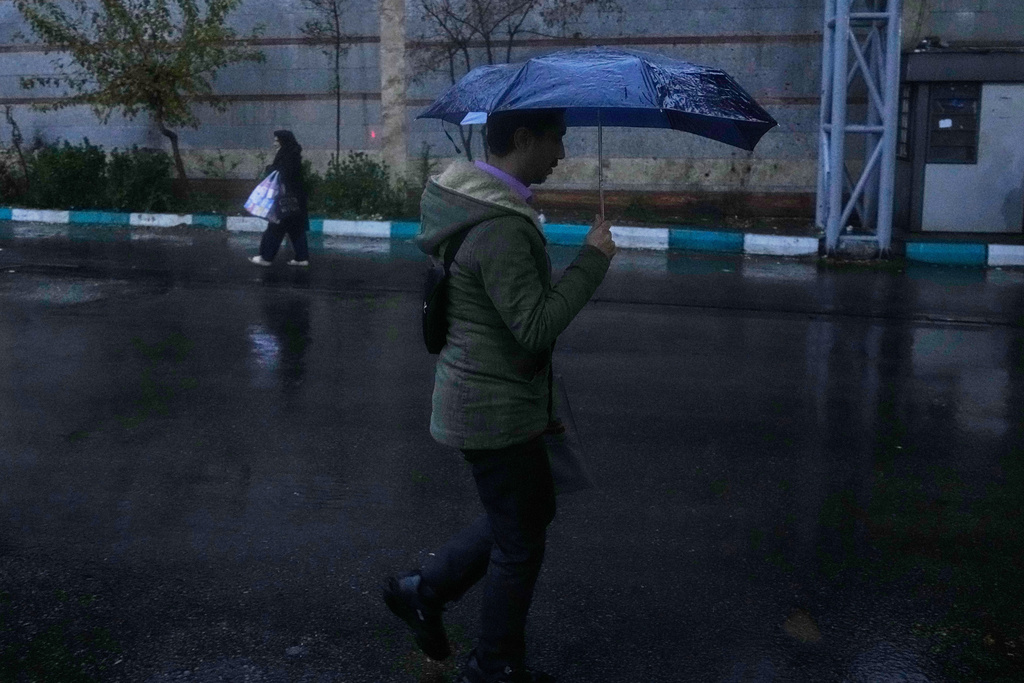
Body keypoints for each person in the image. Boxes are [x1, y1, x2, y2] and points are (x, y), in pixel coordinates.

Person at [383, 108, 617, 683]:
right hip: (492, 409)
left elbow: (503, 319)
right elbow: (534, 326)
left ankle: (424, 591)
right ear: (524, 138)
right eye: (557, 140)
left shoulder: (473, 204)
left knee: (527, 515)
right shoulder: (502, 226)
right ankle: (492, 665)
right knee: (520, 540)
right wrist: (593, 260)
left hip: (490, 396)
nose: (562, 154)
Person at [249, 129, 310, 267]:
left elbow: (282, 173)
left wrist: (269, 168)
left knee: (275, 227)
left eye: (277, 140)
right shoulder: (293, 153)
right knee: (295, 228)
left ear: (284, 141)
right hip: (296, 199)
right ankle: (302, 258)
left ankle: (266, 258)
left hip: (284, 199)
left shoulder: (287, 155)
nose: (274, 143)